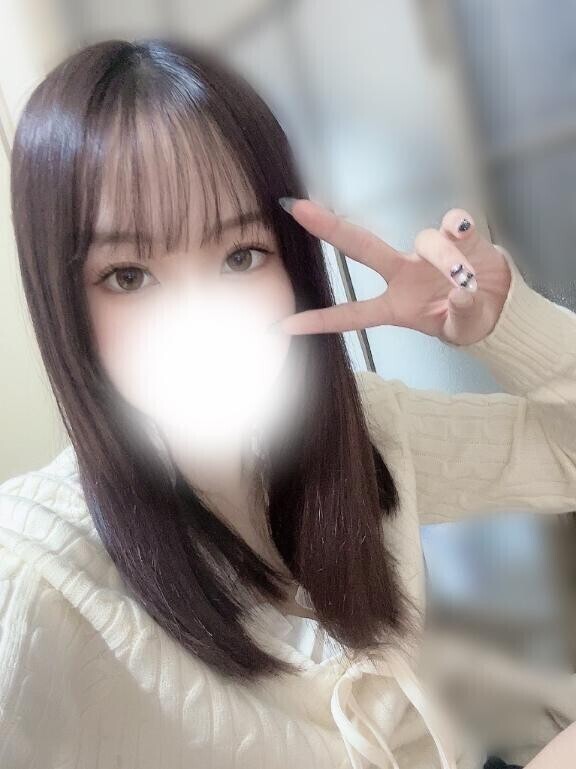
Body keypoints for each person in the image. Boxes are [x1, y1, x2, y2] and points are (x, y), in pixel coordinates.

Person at [1, 36, 575, 769]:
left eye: (241, 255)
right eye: (129, 275)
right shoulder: (36, 572)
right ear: (63, 302)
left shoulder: (361, 430)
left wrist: (505, 326)